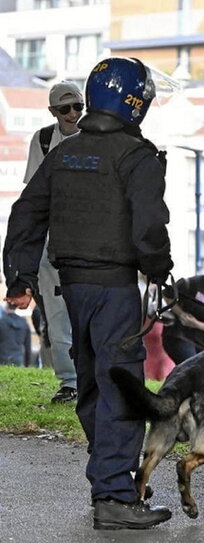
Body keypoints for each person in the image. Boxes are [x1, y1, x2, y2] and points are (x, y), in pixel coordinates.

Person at [3, 57, 174, 529]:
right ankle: (116, 496)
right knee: (121, 387)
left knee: (93, 385)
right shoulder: (136, 155)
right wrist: (161, 270)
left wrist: (18, 278)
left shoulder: (64, 152)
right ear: (134, 102)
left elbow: (26, 215)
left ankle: (110, 477)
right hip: (115, 286)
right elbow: (150, 225)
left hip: (72, 287)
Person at [22, 81, 84, 403]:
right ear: (53, 111)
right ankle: (69, 382)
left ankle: (94, 378)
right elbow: (32, 197)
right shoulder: (44, 140)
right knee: (58, 315)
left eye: (78, 106)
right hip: (52, 243)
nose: (73, 113)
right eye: (65, 108)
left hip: (90, 241)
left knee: (92, 311)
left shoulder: (97, 137)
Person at [0, 302, 32, 367]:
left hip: (2, 358)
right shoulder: (24, 323)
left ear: (6, 306)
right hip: (18, 358)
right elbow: (28, 346)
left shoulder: (1, 322)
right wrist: (27, 364)